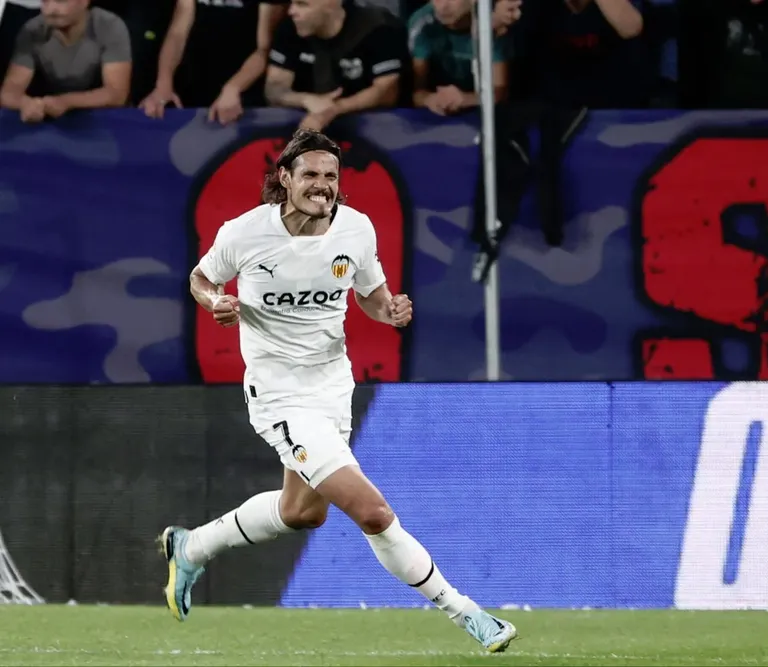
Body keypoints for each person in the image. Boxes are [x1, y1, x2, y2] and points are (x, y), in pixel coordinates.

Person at [160, 128, 518, 654]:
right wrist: (215, 301)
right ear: (285, 178)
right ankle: (467, 613)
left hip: (332, 387)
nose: (322, 185)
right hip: (280, 396)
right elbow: (200, 277)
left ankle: (191, 546)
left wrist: (388, 310)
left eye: (330, 176)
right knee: (373, 513)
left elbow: (371, 295)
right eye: (310, 174)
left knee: (302, 512)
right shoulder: (245, 233)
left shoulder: (356, 229)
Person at [265, 0, 410, 131]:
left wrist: (334, 109)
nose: (291, 11)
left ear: (331, 4)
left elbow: (387, 91)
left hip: (375, 130)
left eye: (302, 4)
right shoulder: (290, 28)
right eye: (292, 3)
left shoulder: (378, 27)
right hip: (305, 128)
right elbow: (274, 89)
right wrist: (305, 99)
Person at [137, 0, 289, 124]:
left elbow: (264, 48)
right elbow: (177, 34)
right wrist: (163, 84)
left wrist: (233, 88)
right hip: (194, 86)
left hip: (242, 94)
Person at [0, 0, 131, 122]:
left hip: (98, 118)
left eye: (61, 0)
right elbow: (9, 92)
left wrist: (66, 102)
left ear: (84, 2)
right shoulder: (32, 30)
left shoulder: (109, 25)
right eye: (45, 1)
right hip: (48, 119)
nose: (51, 10)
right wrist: (26, 104)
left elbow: (116, 94)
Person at [408, 0, 509, 115]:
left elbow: (501, 93)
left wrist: (467, 99)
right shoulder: (422, 22)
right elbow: (417, 92)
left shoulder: (493, 22)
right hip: (436, 114)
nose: (443, 6)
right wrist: (431, 99)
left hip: (485, 111)